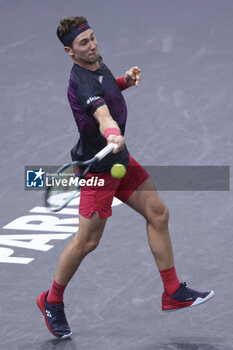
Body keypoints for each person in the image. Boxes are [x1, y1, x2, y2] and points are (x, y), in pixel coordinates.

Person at [37, 16, 215, 339]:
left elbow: (106, 89)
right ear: (69, 51)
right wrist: (112, 132)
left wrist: (123, 81)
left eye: (92, 38)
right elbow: (102, 114)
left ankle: (172, 291)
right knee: (87, 241)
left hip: (120, 160)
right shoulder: (81, 81)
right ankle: (52, 299)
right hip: (99, 171)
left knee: (158, 213)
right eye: (83, 43)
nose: (91, 46)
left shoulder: (95, 63)